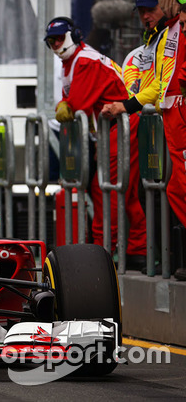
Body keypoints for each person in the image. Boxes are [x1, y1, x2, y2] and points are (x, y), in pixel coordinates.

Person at [45, 16, 147, 263]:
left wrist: (66, 106)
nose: (57, 44)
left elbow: (76, 105)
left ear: (73, 36)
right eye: (51, 41)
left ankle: (104, 251)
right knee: (122, 191)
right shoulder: (74, 62)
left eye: (60, 38)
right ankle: (138, 249)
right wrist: (66, 105)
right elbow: (70, 103)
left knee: (107, 189)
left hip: (119, 126)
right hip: (110, 129)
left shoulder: (84, 62)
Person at [148, 0, 186, 242]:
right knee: (175, 187)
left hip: (180, 116)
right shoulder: (170, 28)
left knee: (181, 184)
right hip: (171, 116)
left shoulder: (180, 26)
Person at [102, 0, 167, 118]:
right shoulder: (146, 46)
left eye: (151, 10)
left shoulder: (170, 36)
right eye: (141, 12)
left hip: (166, 119)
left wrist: (126, 106)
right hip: (149, 120)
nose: (145, 16)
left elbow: (160, 84)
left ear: (164, 6)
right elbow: (136, 89)